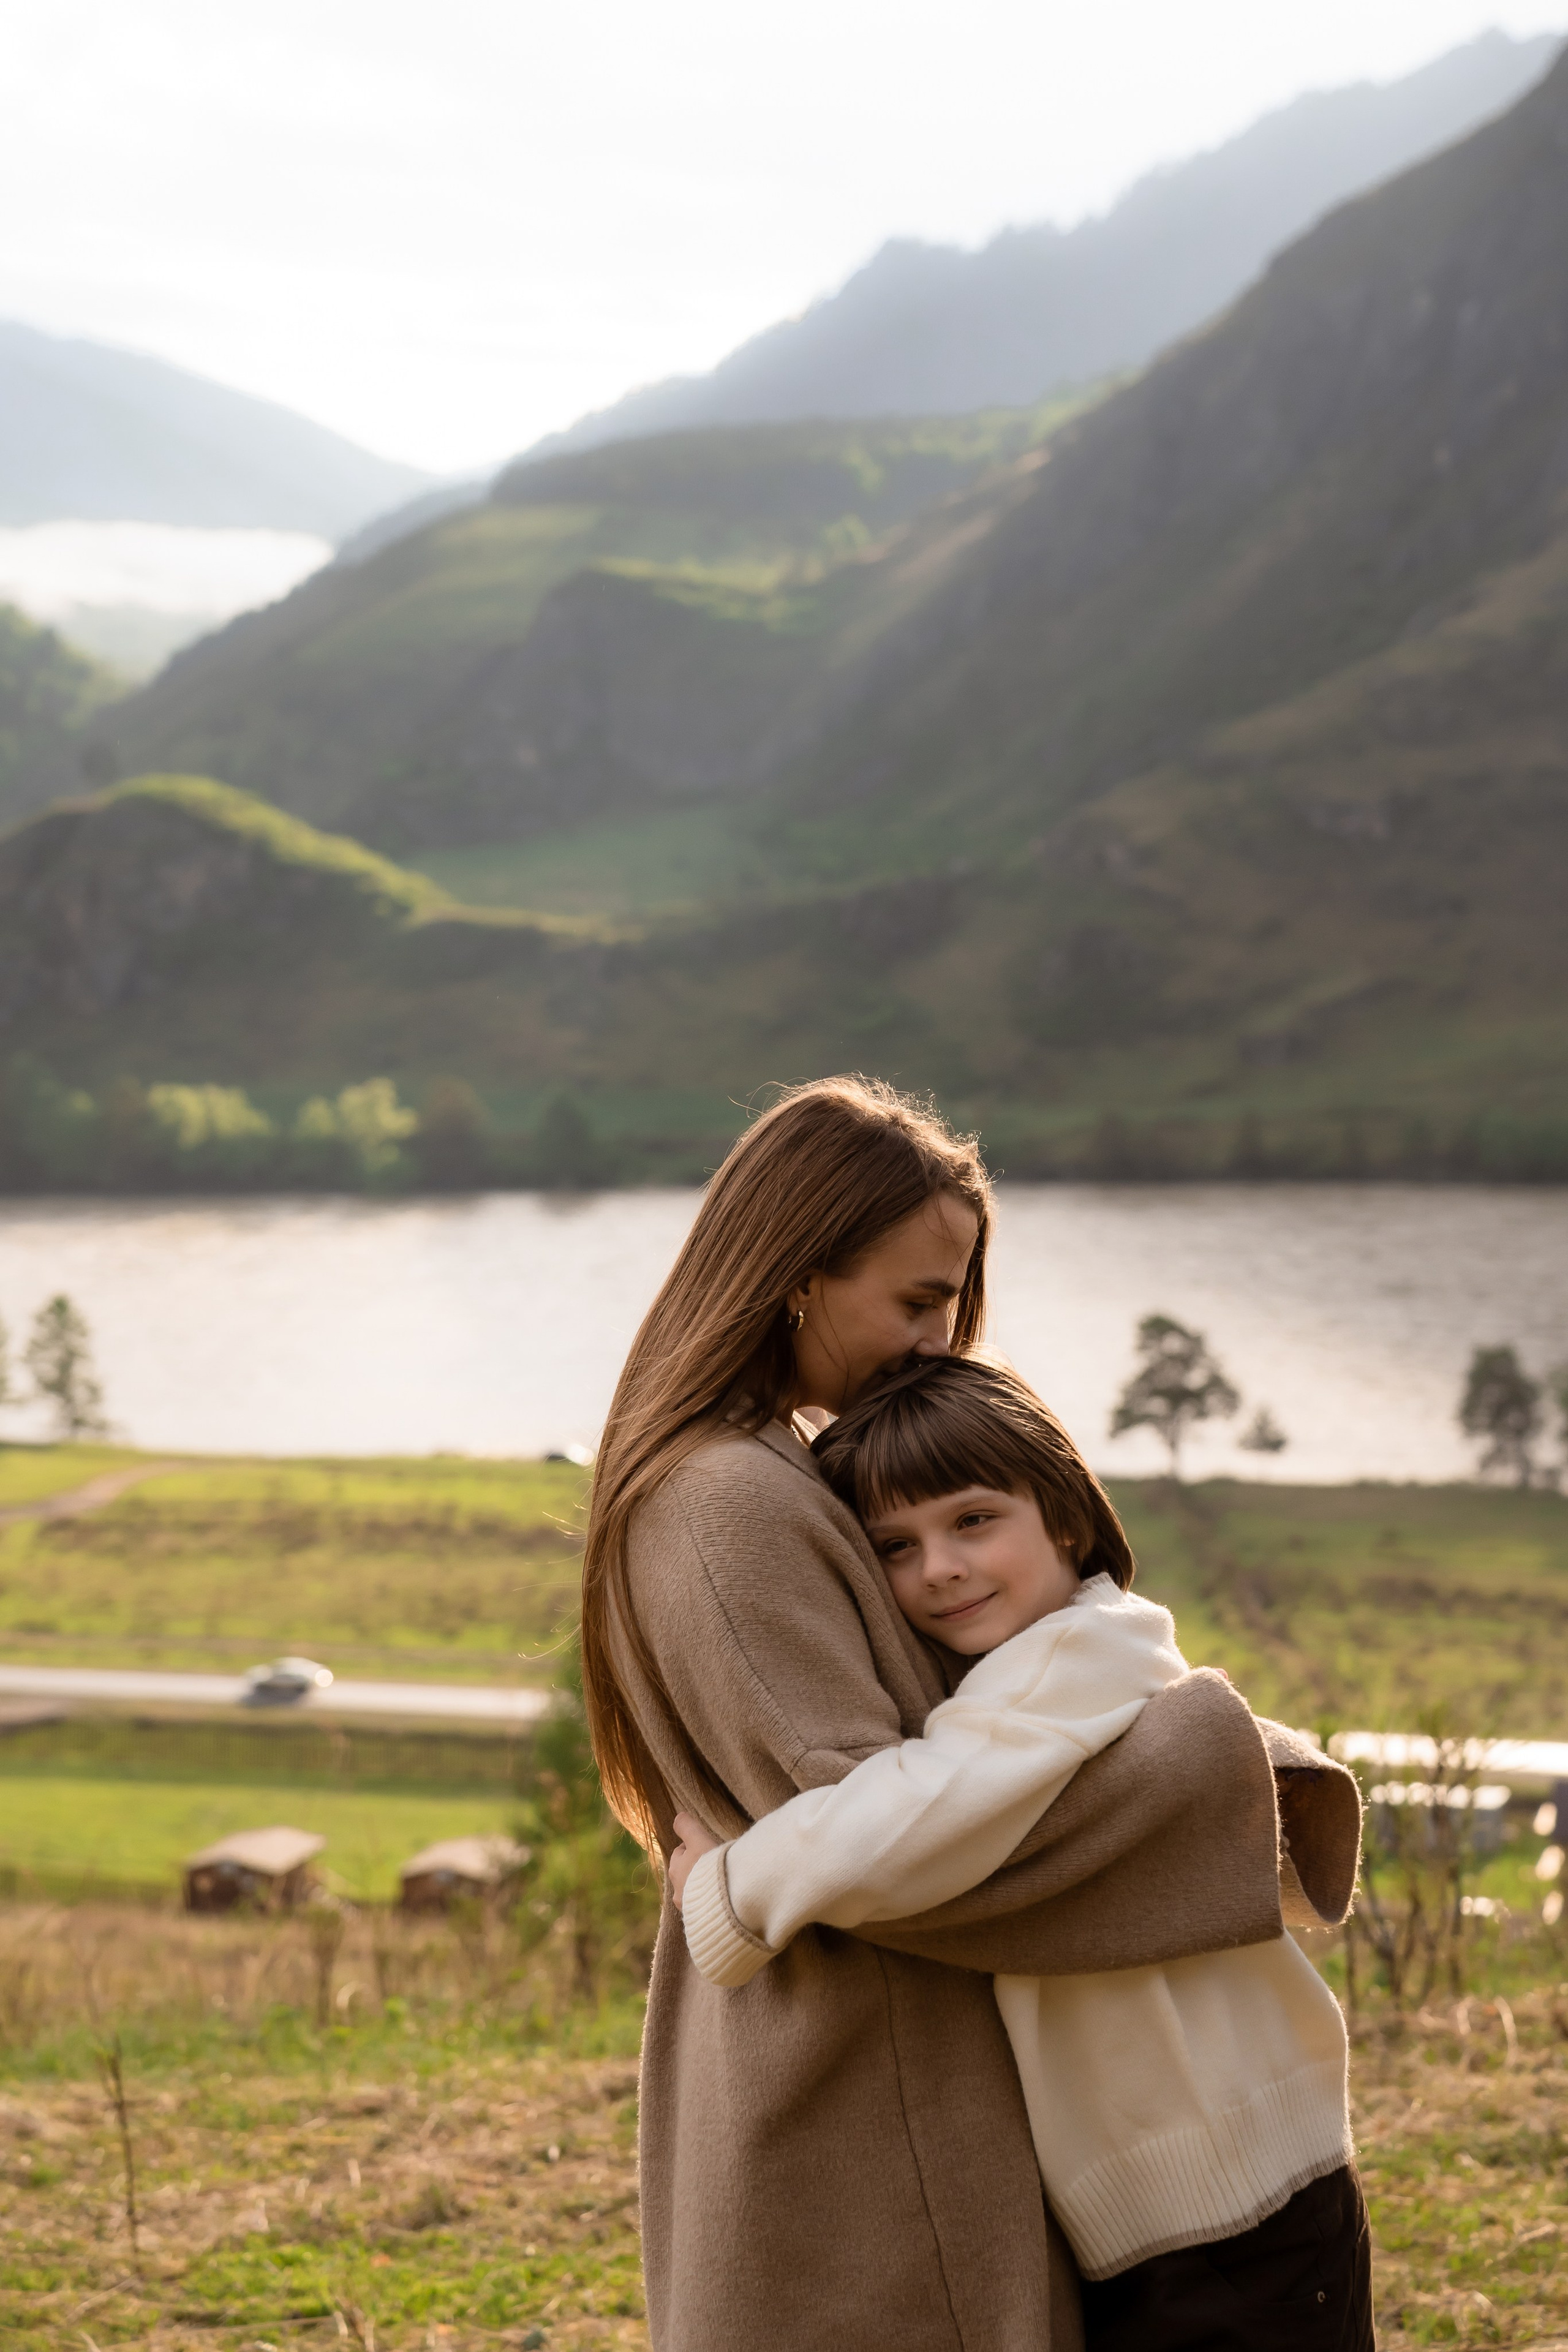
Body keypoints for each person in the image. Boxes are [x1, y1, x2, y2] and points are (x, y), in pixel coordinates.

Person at [580, 1074, 1361, 2352]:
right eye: (916, 1302)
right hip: (871, 2091)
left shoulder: (764, 1469)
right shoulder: (728, 1504)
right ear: (795, 1277)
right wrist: (1211, 1753)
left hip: (886, 2072)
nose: (939, 1341)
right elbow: (900, 1841)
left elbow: (951, 1781)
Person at [670, 1355, 1373, 2351]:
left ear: (1067, 1519)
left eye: (971, 1521)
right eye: (895, 1548)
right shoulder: (1028, 1672)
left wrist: (728, 1890)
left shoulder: (1074, 1659)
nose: (939, 1568)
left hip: (1238, 2205)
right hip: (1193, 2201)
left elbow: (918, 1814)